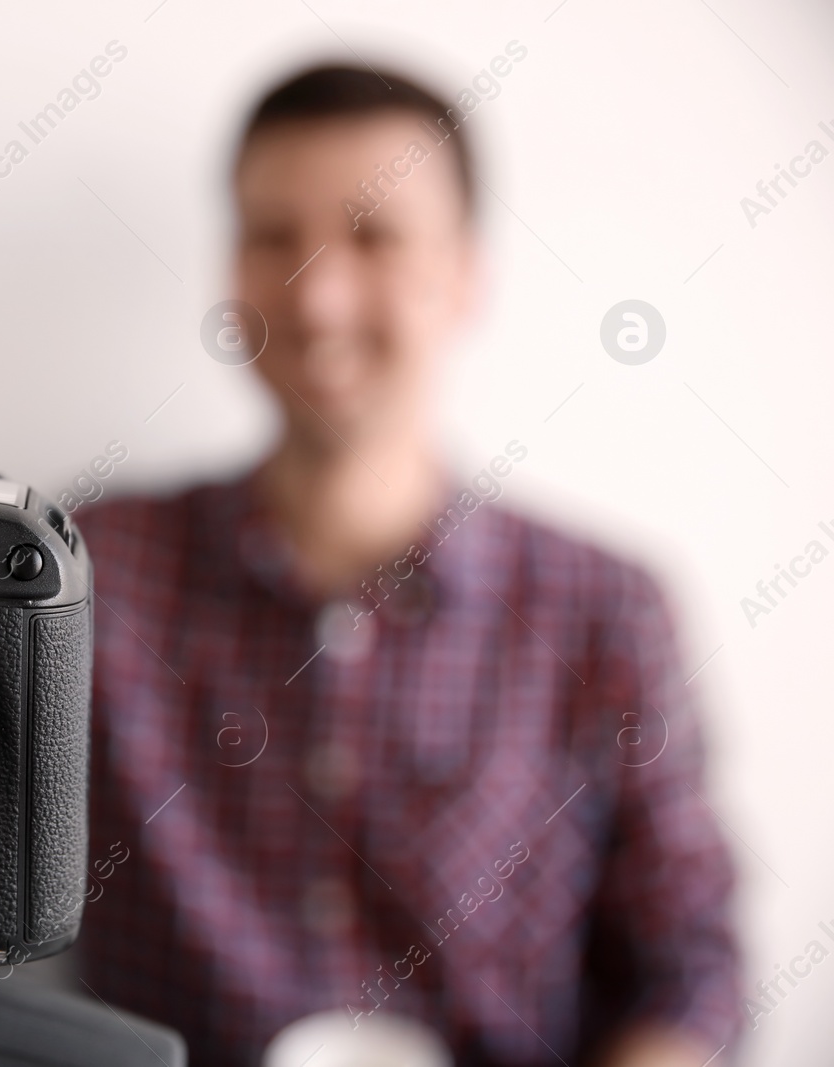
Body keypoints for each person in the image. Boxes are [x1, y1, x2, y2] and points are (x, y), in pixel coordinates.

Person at [75, 65, 741, 1066]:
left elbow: (689, 966)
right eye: (272, 238)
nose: (320, 296)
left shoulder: (604, 607)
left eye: (373, 236)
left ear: (464, 274)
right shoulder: (91, 569)